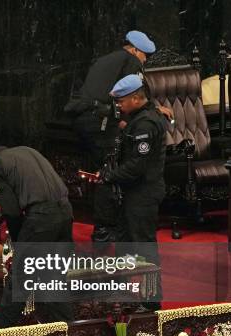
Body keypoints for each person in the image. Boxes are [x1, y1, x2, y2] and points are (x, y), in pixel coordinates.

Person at [66, 30, 171, 243]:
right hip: (101, 123)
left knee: (108, 171)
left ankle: (108, 228)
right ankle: (104, 228)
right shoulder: (131, 61)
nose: (144, 61)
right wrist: (156, 109)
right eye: (145, 56)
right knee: (109, 169)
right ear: (134, 50)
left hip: (86, 120)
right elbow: (137, 94)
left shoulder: (108, 59)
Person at [0, 144, 74, 327]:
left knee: (20, 276)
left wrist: (18, 241)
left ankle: (3, 331)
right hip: (66, 213)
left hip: (41, 217)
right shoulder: (26, 150)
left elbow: (11, 211)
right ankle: (67, 327)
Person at [98, 74, 167, 310]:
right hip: (133, 193)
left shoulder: (145, 124)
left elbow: (138, 165)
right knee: (125, 244)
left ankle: (151, 301)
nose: (118, 105)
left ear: (137, 98)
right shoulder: (138, 119)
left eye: (121, 101)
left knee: (144, 247)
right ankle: (121, 290)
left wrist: (110, 176)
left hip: (143, 194)